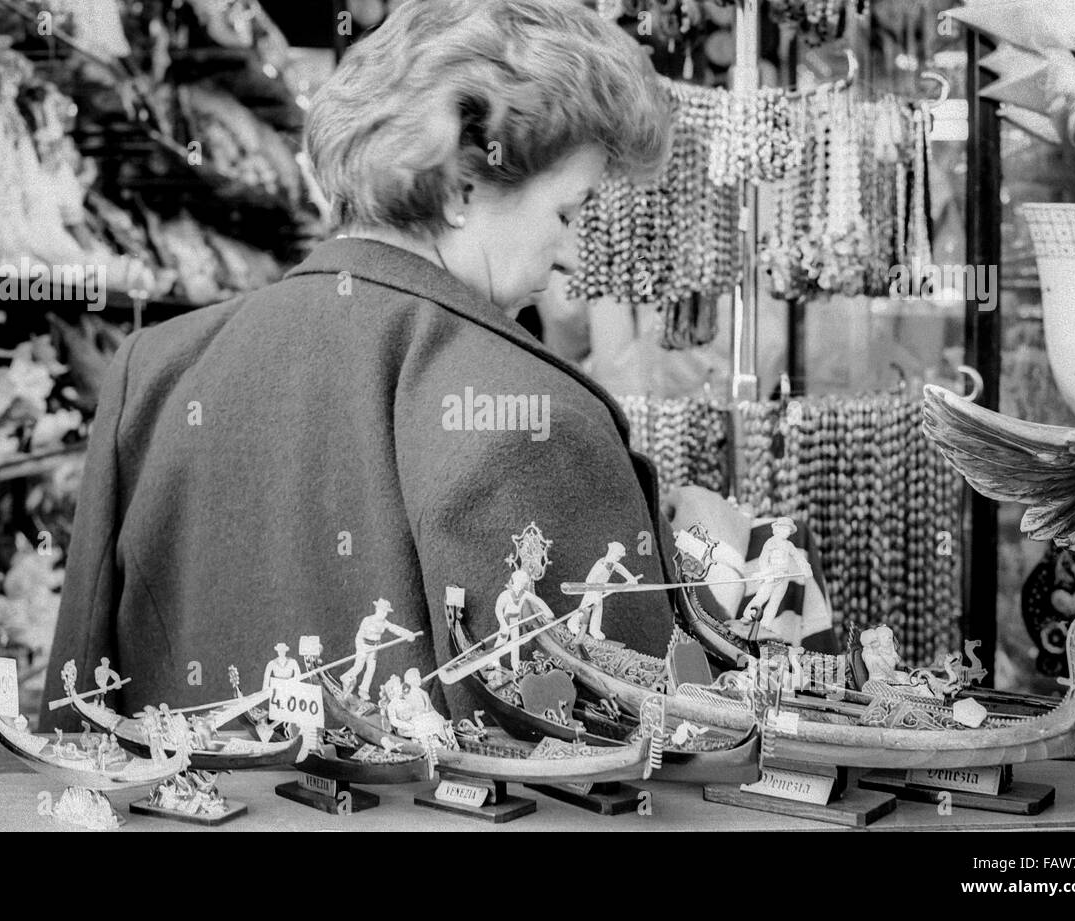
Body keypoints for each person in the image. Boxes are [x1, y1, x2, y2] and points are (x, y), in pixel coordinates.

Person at [41, 0, 727, 730]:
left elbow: (77, 715)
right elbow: (621, 754)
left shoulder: (154, 370)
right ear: (463, 188)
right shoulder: (536, 418)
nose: (570, 255)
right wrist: (715, 582)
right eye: (568, 213)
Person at [742, 518, 812, 634]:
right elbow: (763, 559)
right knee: (761, 597)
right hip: (770, 576)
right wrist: (765, 573)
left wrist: (806, 568)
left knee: (775, 601)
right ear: (778, 529)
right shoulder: (770, 542)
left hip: (783, 577)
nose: (787, 532)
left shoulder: (789, 545)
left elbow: (798, 557)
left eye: (789, 530)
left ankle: (765, 625)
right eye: (785, 529)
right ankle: (747, 618)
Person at [341, 599, 416, 700]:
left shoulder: (384, 623)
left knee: (371, 669)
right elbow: (358, 636)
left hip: (374, 649)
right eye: (382, 611)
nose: (384, 614)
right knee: (358, 667)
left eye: (386, 612)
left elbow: (395, 628)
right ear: (377, 609)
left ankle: (363, 690)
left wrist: (408, 634)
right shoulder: (367, 620)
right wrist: (361, 650)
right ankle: (346, 678)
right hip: (363, 647)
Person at [568, 542, 639, 641]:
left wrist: (632, 579)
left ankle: (594, 630)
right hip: (592, 589)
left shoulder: (614, 565)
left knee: (598, 610)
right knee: (586, 608)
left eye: (619, 557)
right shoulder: (601, 564)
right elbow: (589, 580)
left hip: (599, 590)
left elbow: (623, 571)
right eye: (617, 556)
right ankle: (573, 623)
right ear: (611, 553)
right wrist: (597, 589)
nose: (618, 559)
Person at [492, 570, 554, 670]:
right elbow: (498, 610)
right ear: (514, 581)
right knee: (502, 640)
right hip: (506, 620)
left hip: (516, 621)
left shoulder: (524, 594)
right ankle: (494, 661)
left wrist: (548, 612)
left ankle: (515, 666)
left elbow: (538, 601)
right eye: (520, 582)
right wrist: (503, 624)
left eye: (523, 583)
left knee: (515, 643)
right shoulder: (505, 594)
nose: (521, 585)